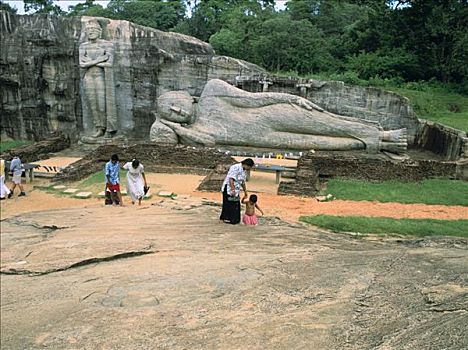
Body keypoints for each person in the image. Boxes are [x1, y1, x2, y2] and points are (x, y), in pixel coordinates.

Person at [150, 79, 407, 154]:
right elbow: (207, 143)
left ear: (183, 95)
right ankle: (380, 144)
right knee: (327, 143)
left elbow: (253, 99)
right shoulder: (197, 130)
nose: (177, 111)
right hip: (267, 138)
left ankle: (382, 134)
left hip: (273, 116)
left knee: (329, 124)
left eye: (174, 104)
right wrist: (169, 125)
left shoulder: (212, 91)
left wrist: (290, 98)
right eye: (170, 113)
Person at [79, 19, 117, 138]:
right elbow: (82, 64)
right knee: (93, 105)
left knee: (102, 105)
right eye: (88, 30)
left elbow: (109, 64)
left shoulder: (107, 44)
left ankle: (108, 128)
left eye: (93, 29)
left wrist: (90, 62)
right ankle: (98, 128)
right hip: (88, 77)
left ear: (99, 31)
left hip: (101, 77)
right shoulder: (83, 46)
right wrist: (100, 59)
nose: (91, 32)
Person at [220, 158, 254, 224]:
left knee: (236, 205)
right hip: (229, 187)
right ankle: (225, 218)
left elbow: (242, 182)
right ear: (246, 164)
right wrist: (233, 190)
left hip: (237, 189)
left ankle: (235, 219)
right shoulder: (235, 167)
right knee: (227, 204)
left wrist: (245, 191)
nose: (249, 169)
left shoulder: (244, 171)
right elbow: (231, 179)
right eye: (249, 167)